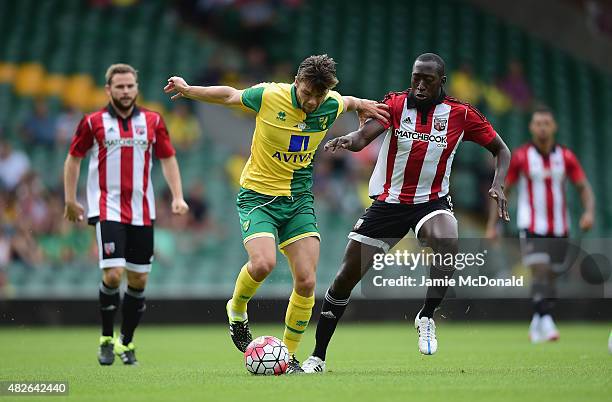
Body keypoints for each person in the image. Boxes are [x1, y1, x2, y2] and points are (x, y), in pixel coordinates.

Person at [165, 54, 390, 373]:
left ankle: (290, 355)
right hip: (258, 197)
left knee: (307, 280)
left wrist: (363, 103)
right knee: (263, 263)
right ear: (296, 83)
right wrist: (189, 90)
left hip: (298, 202)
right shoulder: (270, 95)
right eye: (307, 93)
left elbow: (348, 101)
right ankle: (237, 309)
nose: (312, 101)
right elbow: (229, 95)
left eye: (319, 95)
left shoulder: (330, 103)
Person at [301, 53, 512, 373]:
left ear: (441, 82)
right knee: (345, 278)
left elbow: (501, 149)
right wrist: (347, 140)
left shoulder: (461, 114)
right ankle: (317, 356)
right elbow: (364, 137)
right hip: (388, 204)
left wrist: (498, 185)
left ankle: (426, 315)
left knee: (447, 242)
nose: (420, 84)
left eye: (428, 79)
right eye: (416, 77)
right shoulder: (396, 105)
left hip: (432, 203)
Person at [64, 63, 189, 366]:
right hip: (107, 207)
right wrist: (70, 200)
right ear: (108, 90)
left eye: (129, 86)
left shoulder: (153, 120)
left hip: (142, 211)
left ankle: (126, 342)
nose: (125, 91)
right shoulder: (93, 121)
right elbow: (73, 159)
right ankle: (106, 338)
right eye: (119, 86)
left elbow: (168, 158)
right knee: (113, 273)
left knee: (138, 281)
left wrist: (177, 196)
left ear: (137, 88)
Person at [485, 105, 594, 343]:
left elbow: (583, 187)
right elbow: (504, 190)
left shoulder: (565, 157)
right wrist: (493, 224)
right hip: (531, 224)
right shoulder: (522, 156)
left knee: (552, 275)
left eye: (546, 123)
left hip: (559, 226)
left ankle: (538, 320)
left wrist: (588, 212)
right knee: (540, 270)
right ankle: (547, 320)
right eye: (538, 123)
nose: (542, 127)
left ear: (553, 127)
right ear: (531, 127)